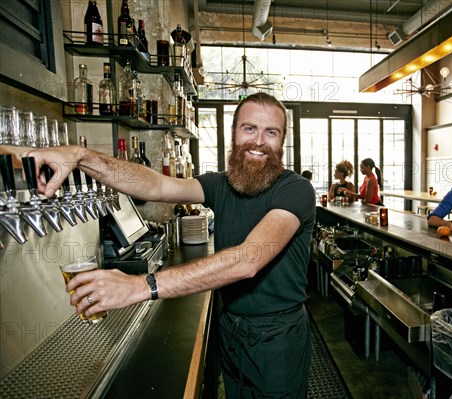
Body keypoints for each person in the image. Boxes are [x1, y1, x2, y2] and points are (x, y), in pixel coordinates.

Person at [26, 93, 316, 398]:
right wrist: (81, 157)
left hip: (278, 336)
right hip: (231, 325)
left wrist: (140, 286)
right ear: (234, 134)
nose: (258, 141)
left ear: (282, 141)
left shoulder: (296, 190)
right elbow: (156, 185)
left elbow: (248, 259)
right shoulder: (222, 184)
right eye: (249, 129)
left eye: (271, 132)